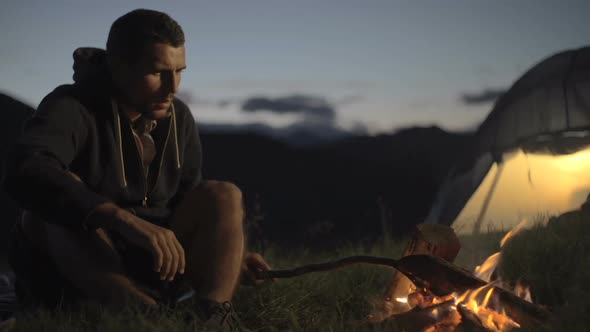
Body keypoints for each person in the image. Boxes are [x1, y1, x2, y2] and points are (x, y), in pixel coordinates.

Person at [4, 8, 269, 330]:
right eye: (157, 72)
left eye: (179, 71)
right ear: (118, 66)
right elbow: (27, 167)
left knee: (223, 194)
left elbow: (191, 200)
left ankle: (213, 320)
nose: (172, 87)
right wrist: (118, 217)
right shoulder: (71, 107)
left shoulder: (178, 117)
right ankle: (149, 319)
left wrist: (232, 256)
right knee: (53, 206)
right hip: (79, 271)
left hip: (154, 268)